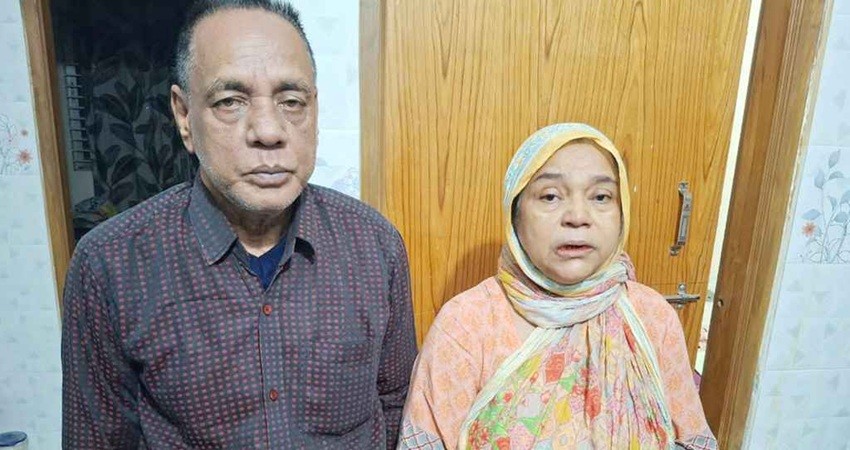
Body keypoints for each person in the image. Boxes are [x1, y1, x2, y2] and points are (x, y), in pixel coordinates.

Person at [61, 1, 417, 448]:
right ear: (184, 115)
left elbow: (396, 403)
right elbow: (98, 439)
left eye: (291, 101)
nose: (268, 131)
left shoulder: (375, 245)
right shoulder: (110, 264)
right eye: (230, 101)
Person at [398, 123, 716, 449]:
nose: (577, 216)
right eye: (550, 196)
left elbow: (691, 439)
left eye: (601, 197)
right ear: (514, 215)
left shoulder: (651, 316)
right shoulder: (467, 323)